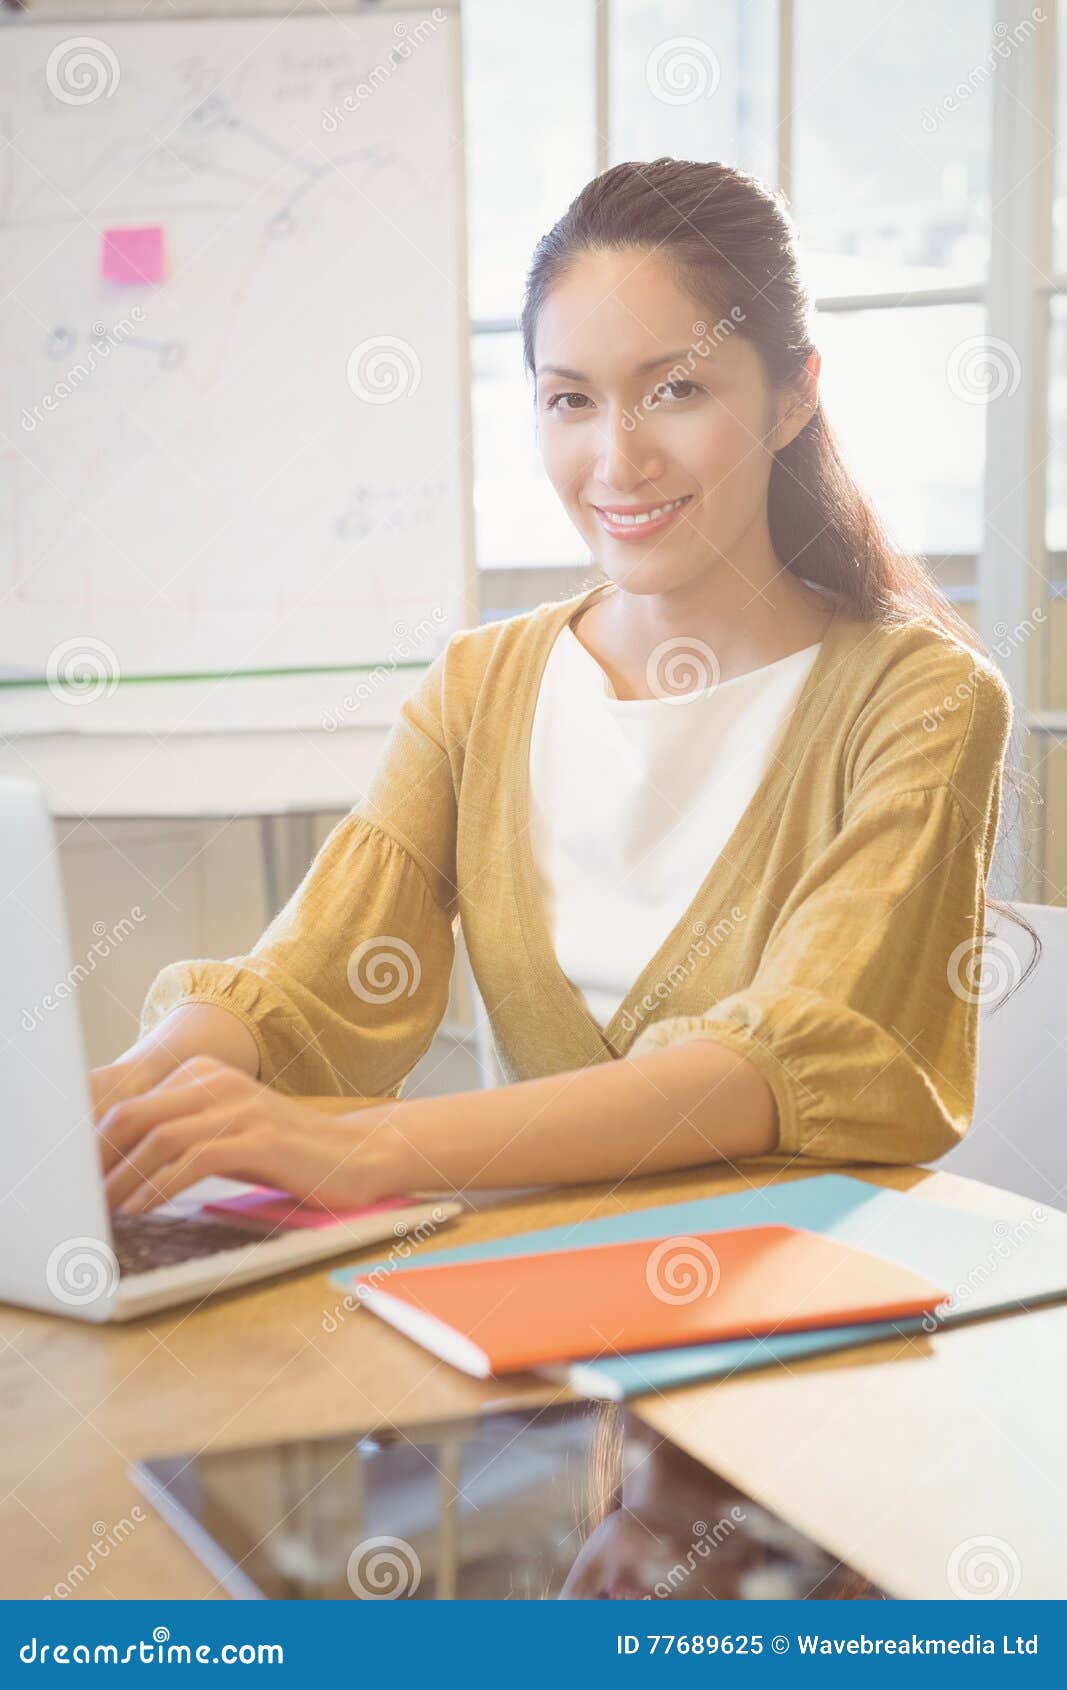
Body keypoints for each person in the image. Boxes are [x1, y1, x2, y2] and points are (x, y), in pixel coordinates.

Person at [91, 158, 1037, 1216]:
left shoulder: (920, 697)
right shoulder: (477, 686)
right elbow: (311, 981)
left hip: (807, 1318)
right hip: (534, 1304)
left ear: (790, 398)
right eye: (569, 400)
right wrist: (151, 1075)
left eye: (674, 388)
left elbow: (779, 1058)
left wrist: (374, 1146)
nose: (615, 459)